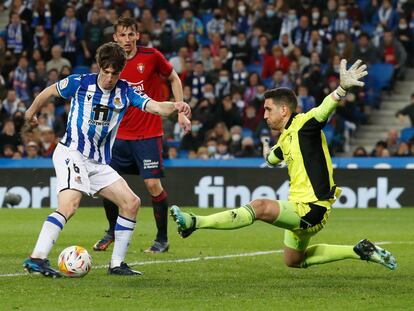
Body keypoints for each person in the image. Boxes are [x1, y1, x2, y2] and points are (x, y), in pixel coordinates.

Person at [171, 59, 397, 271]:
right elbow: (272, 159)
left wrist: (341, 90)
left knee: (258, 206)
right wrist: (267, 151)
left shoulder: (304, 125)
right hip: (299, 207)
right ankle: (359, 250)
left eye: (268, 109)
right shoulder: (286, 137)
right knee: (293, 261)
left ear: (284, 110)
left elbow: (323, 110)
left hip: (312, 207)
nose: (265, 115)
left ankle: (194, 222)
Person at [22, 42, 191, 278]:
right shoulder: (80, 82)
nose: (110, 78)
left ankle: (116, 264)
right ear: (99, 67)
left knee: (131, 203)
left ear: (121, 71)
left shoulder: (126, 90)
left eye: (115, 72)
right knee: (69, 205)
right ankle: (37, 258)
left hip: (98, 162)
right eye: (106, 71)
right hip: (72, 152)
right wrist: (31, 112)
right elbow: (49, 91)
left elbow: (154, 107)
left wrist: (176, 106)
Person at [93, 17, 190, 254]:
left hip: (148, 133)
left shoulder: (151, 56)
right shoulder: (110, 61)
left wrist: (180, 109)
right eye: (122, 35)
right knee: (108, 184)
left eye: (130, 35)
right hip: (118, 136)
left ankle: (162, 239)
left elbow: (174, 77)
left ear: (137, 35)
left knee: (152, 184)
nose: (126, 40)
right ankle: (111, 231)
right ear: (115, 37)